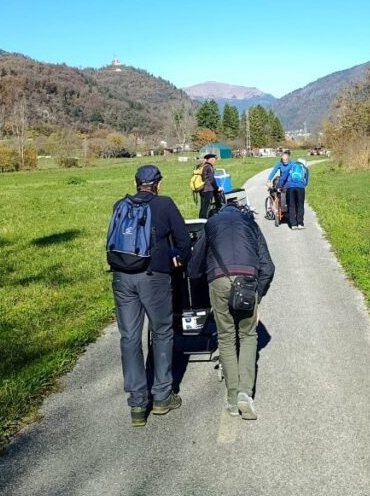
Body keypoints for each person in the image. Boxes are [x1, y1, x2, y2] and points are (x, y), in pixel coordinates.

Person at [109, 165, 191, 427]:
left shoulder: (120, 206)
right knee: (162, 332)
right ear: (158, 184)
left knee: (129, 337)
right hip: (154, 277)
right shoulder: (165, 204)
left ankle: (137, 404)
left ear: (135, 183)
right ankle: (162, 396)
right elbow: (184, 242)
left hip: (122, 277)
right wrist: (176, 258)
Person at [188, 197, 275, 420]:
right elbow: (268, 266)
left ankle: (232, 398)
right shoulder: (250, 223)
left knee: (226, 337)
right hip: (248, 279)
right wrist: (257, 296)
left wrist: (201, 290)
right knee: (248, 335)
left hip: (219, 279)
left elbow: (195, 265)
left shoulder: (211, 224)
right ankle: (245, 393)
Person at [279, 158, 310, 230]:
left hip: (290, 187)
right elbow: (306, 182)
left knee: (291, 205)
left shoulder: (291, 166)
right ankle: (300, 224)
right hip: (300, 188)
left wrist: (280, 186)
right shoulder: (305, 169)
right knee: (300, 205)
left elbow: (283, 178)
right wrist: (302, 185)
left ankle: (293, 225)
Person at [265, 150, 292, 218]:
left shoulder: (292, 163)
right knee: (274, 190)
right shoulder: (279, 163)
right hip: (282, 181)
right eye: (283, 160)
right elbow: (273, 171)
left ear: (289, 159)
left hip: (289, 181)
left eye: (286, 159)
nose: (285, 161)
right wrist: (268, 180)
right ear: (281, 159)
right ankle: (275, 206)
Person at [198, 153, 221, 219]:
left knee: (203, 206)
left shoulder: (203, 166)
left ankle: (201, 220)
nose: (214, 162)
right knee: (206, 207)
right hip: (208, 189)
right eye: (214, 160)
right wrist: (217, 188)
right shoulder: (208, 167)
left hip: (202, 189)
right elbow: (212, 180)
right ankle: (205, 221)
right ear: (211, 160)